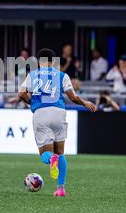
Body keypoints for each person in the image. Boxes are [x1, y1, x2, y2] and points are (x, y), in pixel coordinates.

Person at [18, 48, 96, 197]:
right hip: (59, 112)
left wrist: (32, 103)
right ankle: (60, 188)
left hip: (41, 113)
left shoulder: (32, 75)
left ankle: (50, 158)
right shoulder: (62, 76)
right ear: (53, 61)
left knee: (45, 153)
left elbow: (21, 93)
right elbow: (72, 97)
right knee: (60, 153)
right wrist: (84, 102)